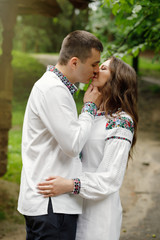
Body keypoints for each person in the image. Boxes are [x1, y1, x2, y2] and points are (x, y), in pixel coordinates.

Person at [37, 56, 138, 240]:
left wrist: (70, 185)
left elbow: (111, 178)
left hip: (99, 211)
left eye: (105, 68)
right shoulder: (92, 114)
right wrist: (88, 108)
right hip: (74, 205)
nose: (97, 69)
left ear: (117, 79)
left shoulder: (122, 121)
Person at [17, 30, 103, 240]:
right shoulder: (53, 90)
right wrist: (90, 108)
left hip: (49, 203)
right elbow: (73, 145)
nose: (96, 70)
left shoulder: (55, 88)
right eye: (93, 64)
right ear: (74, 62)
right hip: (51, 206)